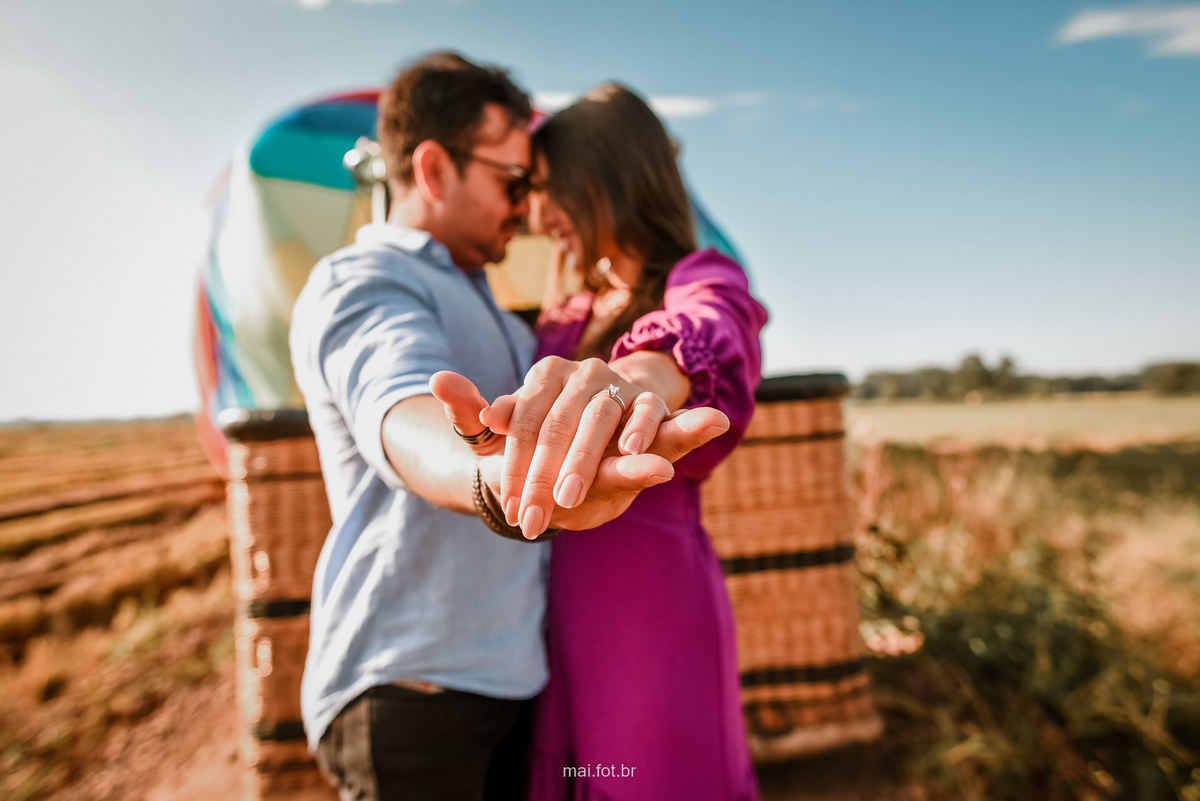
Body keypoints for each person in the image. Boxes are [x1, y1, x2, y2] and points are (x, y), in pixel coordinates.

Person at [289, 54, 730, 801]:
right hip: (418, 689)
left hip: (511, 684)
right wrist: (502, 483)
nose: (527, 207)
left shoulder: (497, 302)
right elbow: (399, 412)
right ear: (433, 170)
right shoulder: (364, 282)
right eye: (513, 181)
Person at [435, 83, 768, 800]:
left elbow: (711, 327)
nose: (537, 212)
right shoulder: (569, 310)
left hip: (649, 615)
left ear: (606, 175)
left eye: (551, 189)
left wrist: (640, 375)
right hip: (559, 622)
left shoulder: (695, 276)